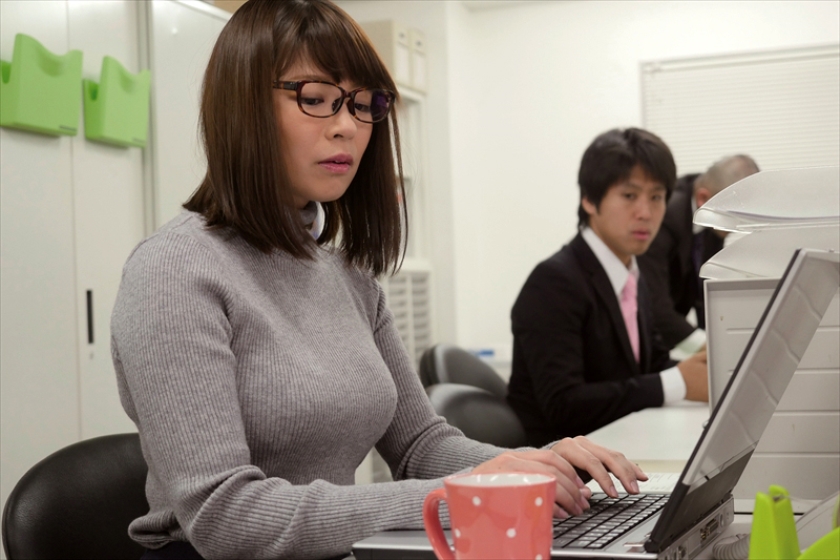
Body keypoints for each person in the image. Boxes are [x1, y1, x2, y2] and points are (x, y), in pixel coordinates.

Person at [110, 2, 646, 558]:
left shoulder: (349, 274)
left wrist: (541, 464)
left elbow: (420, 444)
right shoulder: (173, 272)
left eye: (364, 105)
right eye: (315, 100)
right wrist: (457, 495)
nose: (347, 125)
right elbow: (225, 517)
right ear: (241, 108)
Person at [507, 128, 709, 448]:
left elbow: (651, 365)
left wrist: (702, 369)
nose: (646, 212)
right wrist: (677, 383)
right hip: (561, 472)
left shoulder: (630, 272)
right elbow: (564, 405)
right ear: (589, 199)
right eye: (629, 196)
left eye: (656, 197)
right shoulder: (553, 282)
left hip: (621, 450)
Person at [638, 155, 760, 353]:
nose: (741, 223)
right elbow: (655, 306)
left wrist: (721, 339)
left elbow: (704, 289)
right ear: (703, 198)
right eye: (737, 214)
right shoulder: (665, 217)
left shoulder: (713, 210)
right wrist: (707, 348)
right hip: (643, 337)